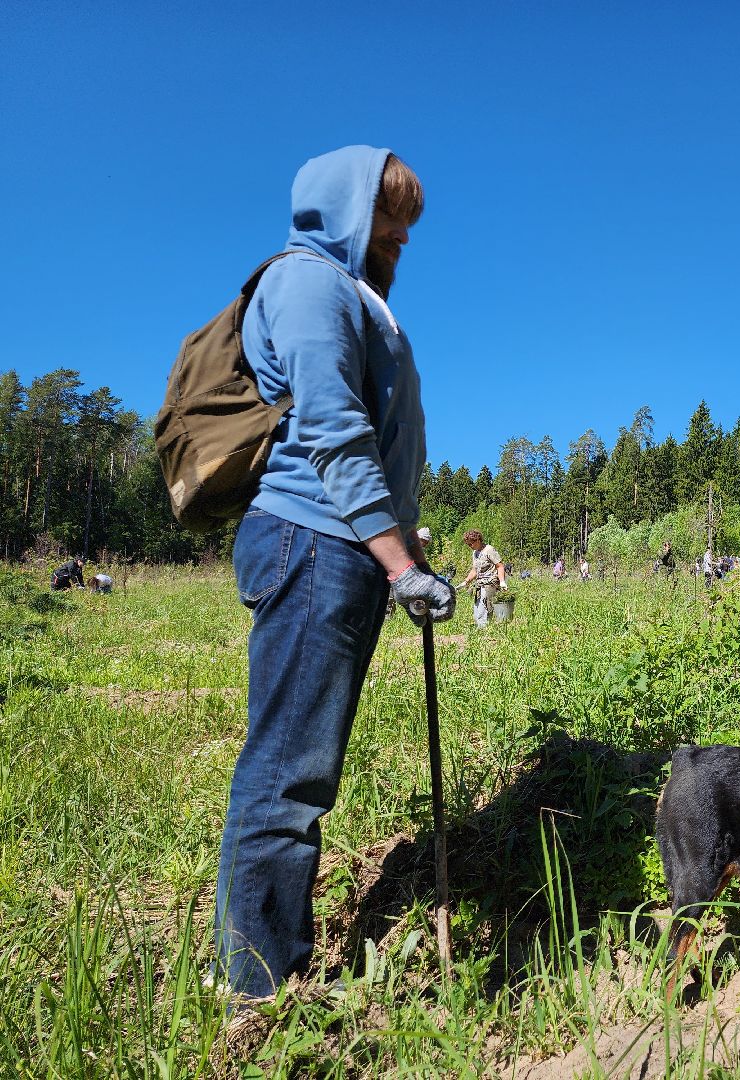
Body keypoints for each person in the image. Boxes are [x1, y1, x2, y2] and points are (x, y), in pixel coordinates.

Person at [214, 146, 455, 1004]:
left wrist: (402, 551)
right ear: (347, 212)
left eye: (405, 225)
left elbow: (374, 446)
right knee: (288, 772)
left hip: (339, 548)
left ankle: (270, 960)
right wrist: (399, 564)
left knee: (302, 768)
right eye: (388, 218)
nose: (399, 238)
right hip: (312, 543)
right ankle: (255, 990)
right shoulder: (309, 280)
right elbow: (332, 428)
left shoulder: (349, 291)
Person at [459, 529, 506, 626]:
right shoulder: (475, 553)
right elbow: (474, 570)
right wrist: (466, 581)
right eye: (468, 544)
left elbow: (500, 566)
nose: (470, 546)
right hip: (479, 585)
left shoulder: (489, 550)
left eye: (471, 544)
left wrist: (502, 581)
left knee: (484, 610)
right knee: (477, 612)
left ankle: (485, 632)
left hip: (490, 584)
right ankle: (482, 630)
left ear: (478, 540)